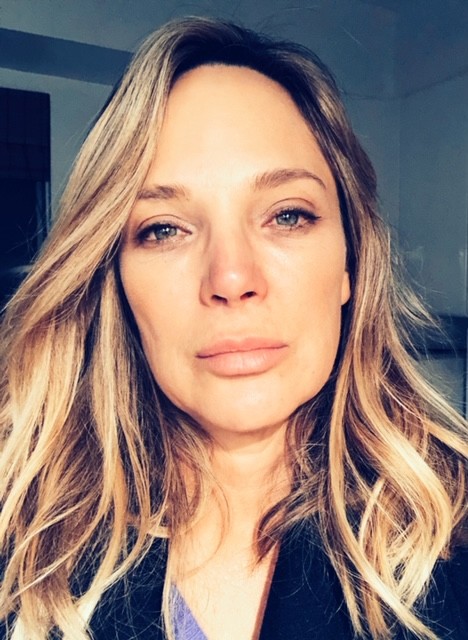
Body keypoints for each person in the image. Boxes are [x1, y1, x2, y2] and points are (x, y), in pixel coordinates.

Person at [0, 16, 467, 640]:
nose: (231, 277)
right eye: (164, 228)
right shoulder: (21, 547)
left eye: (287, 215)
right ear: (116, 280)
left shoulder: (454, 536)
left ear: (350, 264)